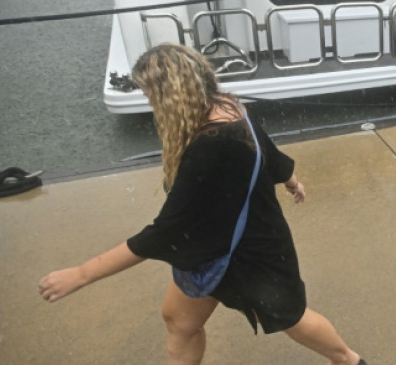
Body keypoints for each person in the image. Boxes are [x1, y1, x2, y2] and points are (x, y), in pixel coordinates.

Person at [38, 44, 365, 365]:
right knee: (179, 320)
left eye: (150, 96)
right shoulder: (227, 106)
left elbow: (164, 233)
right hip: (212, 246)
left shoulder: (210, 147)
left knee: (290, 316)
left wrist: (81, 274)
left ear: (169, 95)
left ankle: (348, 360)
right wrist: (290, 179)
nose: (151, 104)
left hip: (251, 252)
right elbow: (266, 150)